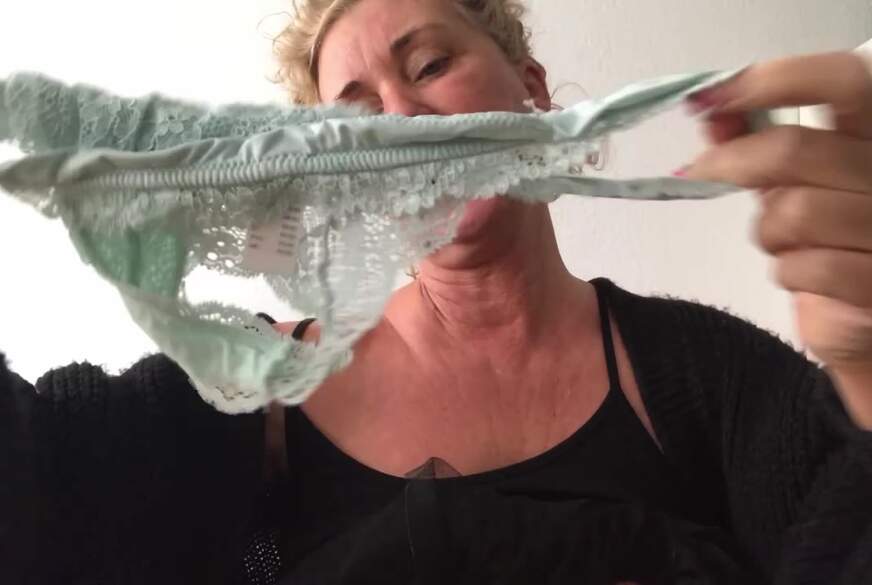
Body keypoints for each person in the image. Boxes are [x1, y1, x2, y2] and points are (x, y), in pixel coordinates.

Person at [3, 0, 872, 583]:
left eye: (428, 65)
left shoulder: (704, 376)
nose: (402, 120)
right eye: (355, 114)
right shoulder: (255, 391)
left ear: (531, 91)